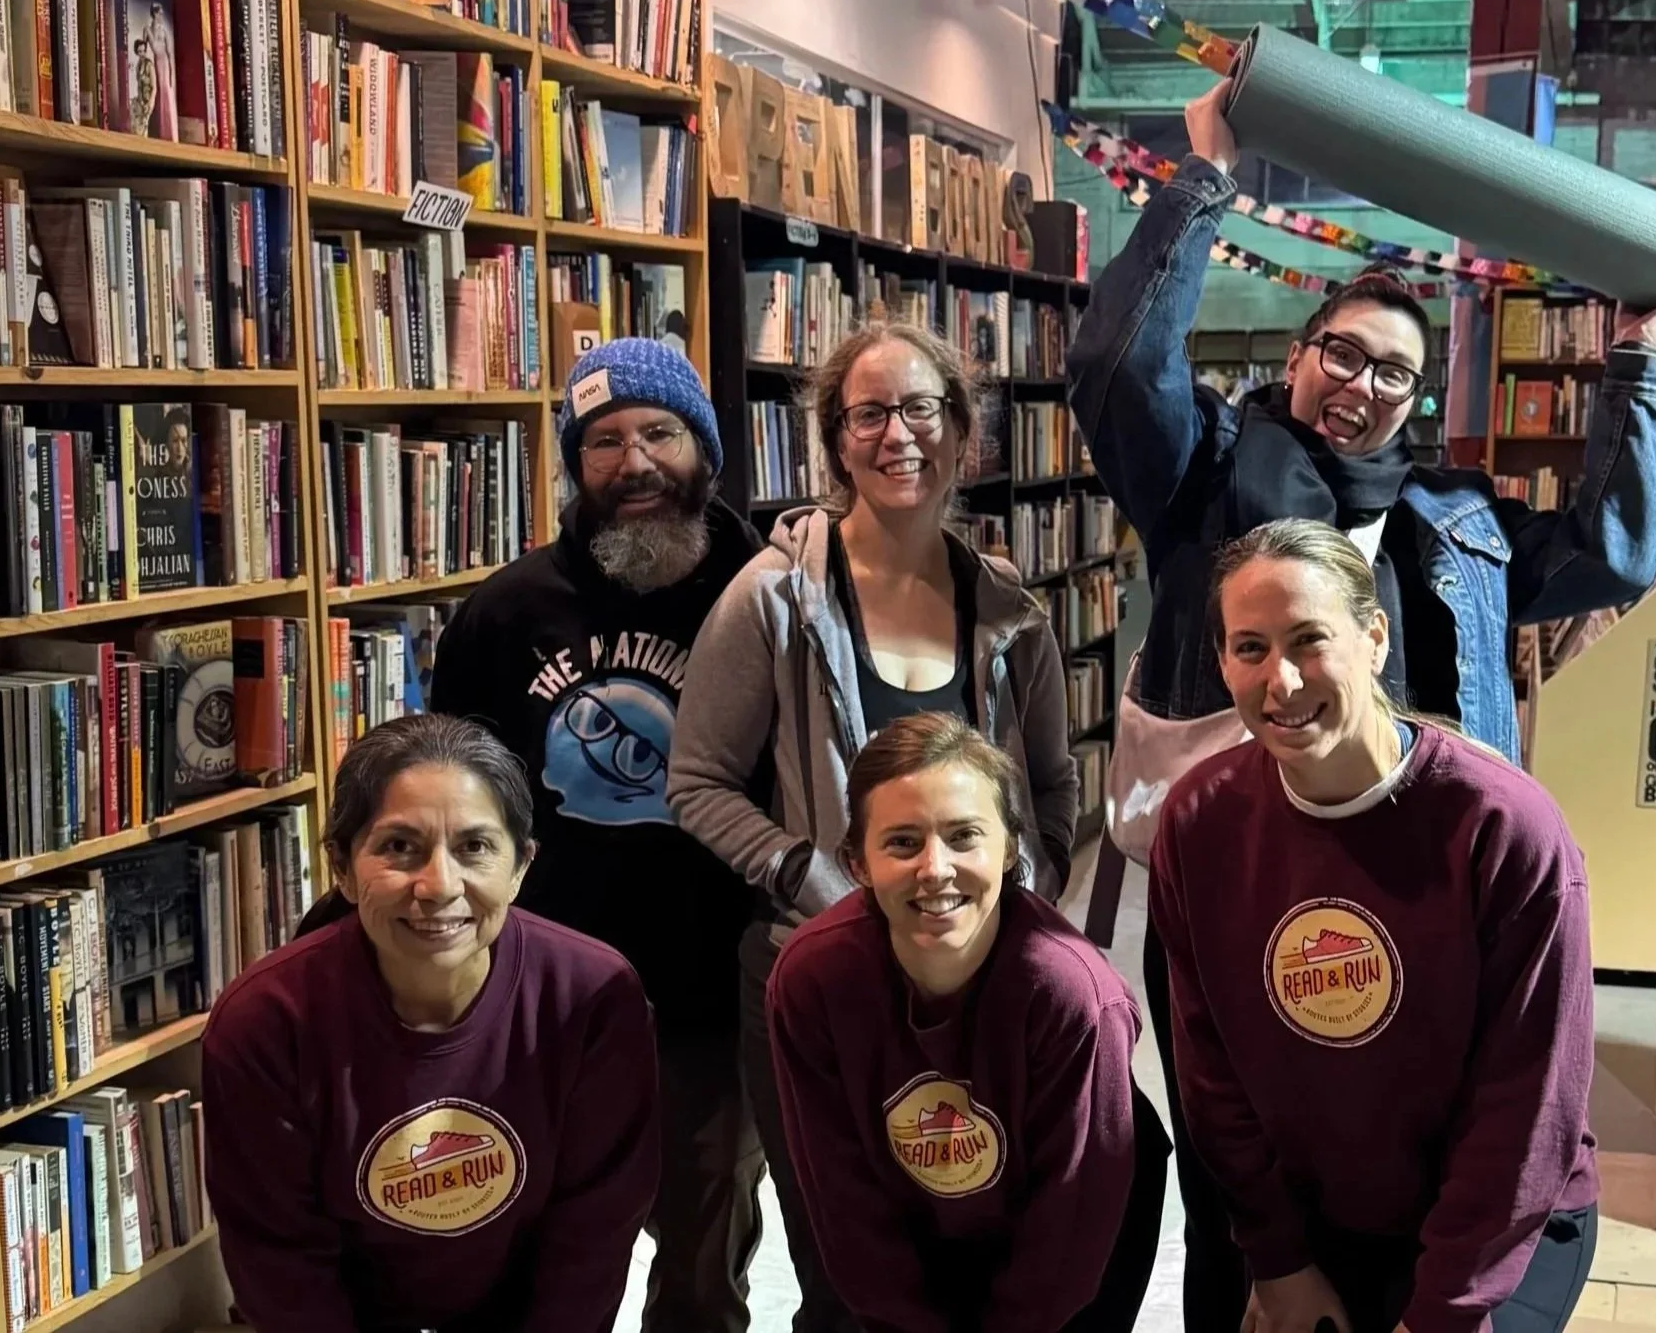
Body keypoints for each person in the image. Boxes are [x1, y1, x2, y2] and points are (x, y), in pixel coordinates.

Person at [1069, 77, 1656, 1327]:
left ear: (1418, 398)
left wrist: (1638, 357)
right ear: (1298, 357)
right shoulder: (1203, 474)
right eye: (1340, 353)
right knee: (1244, 1177)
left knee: (1436, 1152)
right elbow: (1117, 371)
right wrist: (1205, 180)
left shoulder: (1457, 519)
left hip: (1427, 887)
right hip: (1246, 874)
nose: (1359, 383)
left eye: (1393, 371)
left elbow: (1618, 553)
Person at [671, 320, 1082, 1333]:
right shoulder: (773, 597)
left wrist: (1030, 886)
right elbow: (698, 779)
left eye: (921, 408)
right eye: (868, 414)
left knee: (980, 1245)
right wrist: (807, 874)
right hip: (818, 981)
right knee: (847, 1270)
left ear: (962, 432)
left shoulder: (1009, 608)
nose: (897, 435)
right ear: (835, 442)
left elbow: (1051, 780)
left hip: (980, 979)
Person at [1151, 519, 1601, 1333]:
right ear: (1221, 663)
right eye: (1251, 648)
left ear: (1374, 638)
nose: (1282, 680)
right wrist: (1278, 1261)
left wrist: (1441, 1311)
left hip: (1500, 1225)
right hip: (1312, 1221)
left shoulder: (1504, 827)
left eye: (1309, 640)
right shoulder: (1198, 821)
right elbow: (1209, 1073)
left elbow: (1529, 1107)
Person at [418, 336, 768, 1333]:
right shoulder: (505, 612)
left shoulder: (770, 590)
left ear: (703, 450)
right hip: (544, 997)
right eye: (604, 441)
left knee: (702, 1271)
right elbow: (454, 799)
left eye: (660, 432)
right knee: (532, 1254)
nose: (635, 462)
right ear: (576, 464)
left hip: (713, 989)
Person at [202, 714, 663, 1333]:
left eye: (475, 847)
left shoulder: (593, 999)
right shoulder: (264, 1023)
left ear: (522, 866)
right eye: (399, 847)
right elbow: (279, 1263)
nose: (439, 886)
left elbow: (591, 1241)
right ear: (341, 867)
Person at [767, 712, 1168, 1333]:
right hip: (911, 1229)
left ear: (1010, 849)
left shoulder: (1074, 997)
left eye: (963, 837)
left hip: (1071, 1245)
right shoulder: (811, 981)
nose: (935, 868)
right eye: (903, 842)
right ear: (857, 863)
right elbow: (841, 1202)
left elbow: (1068, 1227)